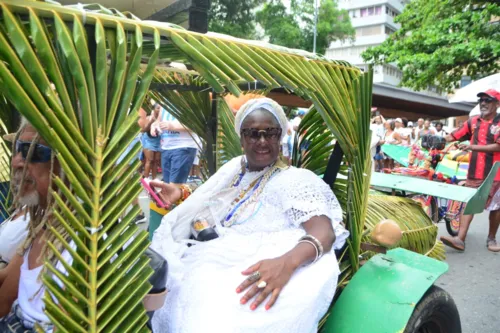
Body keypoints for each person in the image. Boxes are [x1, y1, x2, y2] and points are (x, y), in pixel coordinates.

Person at [150, 98, 349, 333]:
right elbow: (218, 197)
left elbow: (323, 232)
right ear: (242, 139)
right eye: (253, 134)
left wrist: (285, 264)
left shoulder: (295, 179)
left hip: (269, 260)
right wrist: (181, 193)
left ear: (281, 136)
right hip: (214, 254)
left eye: (271, 133)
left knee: (209, 314)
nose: (262, 141)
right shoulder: (237, 167)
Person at [440, 89, 500, 252]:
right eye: (481, 100)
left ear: (497, 104)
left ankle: (491, 238)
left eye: (488, 100)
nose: (483, 103)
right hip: (475, 172)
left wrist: (472, 146)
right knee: (469, 203)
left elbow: (498, 146)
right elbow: (454, 136)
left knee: (496, 207)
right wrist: (438, 139)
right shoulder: (473, 121)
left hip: (496, 173)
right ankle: (460, 239)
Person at [152, 107, 198, 184]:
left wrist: (173, 126)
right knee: (167, 185)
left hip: (183, 146)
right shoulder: (164, 101)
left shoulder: (188, 98)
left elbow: (195, 124)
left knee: (175, 186)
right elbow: (158, 120)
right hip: (166, 147)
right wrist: (154, 126)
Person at [141, 104, 162, 179]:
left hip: (159, 141)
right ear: (153, 109)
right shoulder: (148, 118)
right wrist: (152, 121)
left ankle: (154, 179)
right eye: (158, 108)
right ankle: (146, 179)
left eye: (161, 108)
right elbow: (143, 130)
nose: (159, 110)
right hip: (149, 141)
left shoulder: (162, 118)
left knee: (156, 161)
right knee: (149, 160)